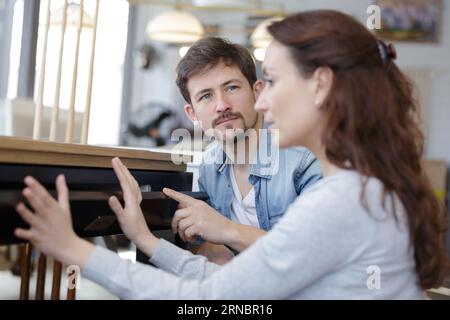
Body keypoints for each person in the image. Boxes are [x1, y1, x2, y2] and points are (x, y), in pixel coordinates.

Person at [15, 10, 448, 299]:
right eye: (207, 96)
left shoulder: (342, 201)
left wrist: (74, 251)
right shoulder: (356, 189)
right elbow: (237, 286)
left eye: (272, 82)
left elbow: (214, 300)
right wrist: (145, 239)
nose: (260, 104)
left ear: (319, 85)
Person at [170, 37, 321, 263]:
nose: (222, 105)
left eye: (231, 87)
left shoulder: (304, 159)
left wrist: (226, 230)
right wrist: (199, 242)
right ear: (192, 114)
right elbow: (221, 257)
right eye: (206, 96)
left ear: (257, 92)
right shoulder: (209, 167)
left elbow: (315, 255)